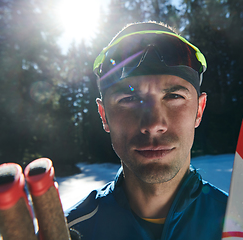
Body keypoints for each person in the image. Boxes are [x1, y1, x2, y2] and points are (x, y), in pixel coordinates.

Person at [65, 21, 228, 240]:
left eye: (173, 96)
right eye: (129, 99)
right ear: (104, 116)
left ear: (199, 110)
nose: (153, 124)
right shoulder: (69, 232)